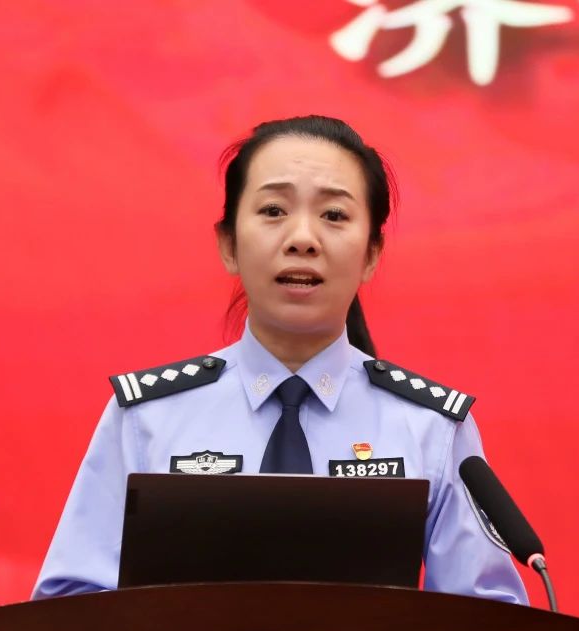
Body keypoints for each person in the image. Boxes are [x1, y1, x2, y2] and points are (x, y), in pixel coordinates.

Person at [32, 115, 527, 604]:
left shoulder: (430, 428)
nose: (302, 238)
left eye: (334, 215)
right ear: (229, 245)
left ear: (372, 254)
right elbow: (68, 605)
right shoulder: (147, 419)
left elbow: (488, 624)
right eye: (273, 210)